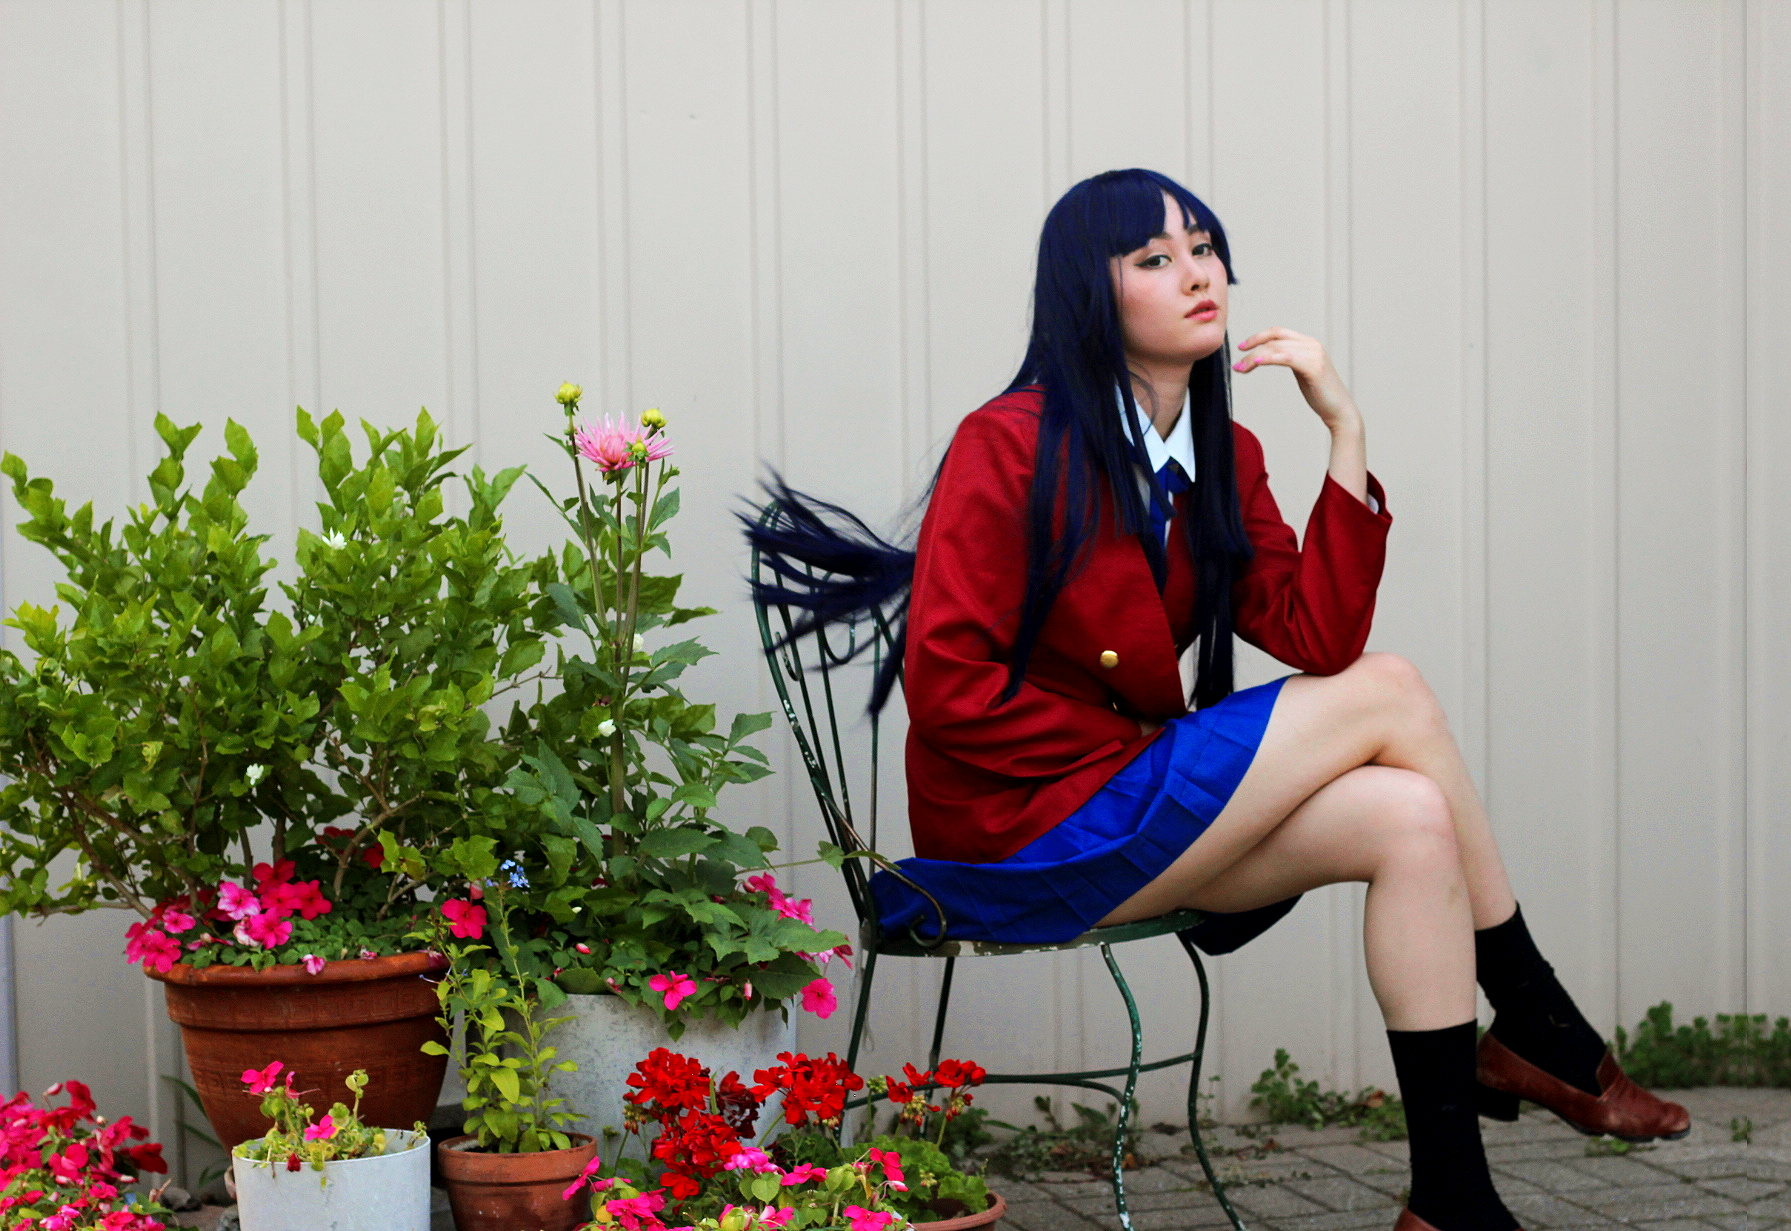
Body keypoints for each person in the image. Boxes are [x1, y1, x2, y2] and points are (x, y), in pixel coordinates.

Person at [747, 168, 1685, 1231]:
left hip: (1135, 809)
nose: (1198, 275)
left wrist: (1344, 431)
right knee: (1393, 689)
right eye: (1155, 258)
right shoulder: (1008, 441)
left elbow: (1316, 637)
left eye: (1203, 249)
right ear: (1091, 293)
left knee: (1413, 819)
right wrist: (1139, 750)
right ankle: (1539, 1022)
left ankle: (1452, 1201)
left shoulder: (1221, 454)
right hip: (1019, 831)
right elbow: (951, 688)